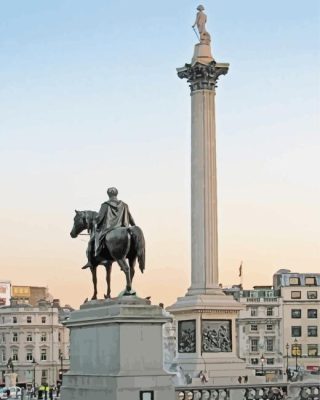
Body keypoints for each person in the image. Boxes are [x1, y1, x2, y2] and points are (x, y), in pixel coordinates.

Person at [82, 187, 135, 269]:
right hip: (124, 227)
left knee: (91, 242)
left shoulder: (105, 205)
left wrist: (93, 222)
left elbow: (99, 218)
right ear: (116, 194)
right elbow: (130, 218)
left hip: (108, 229)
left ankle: (90, 261)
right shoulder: (125, 205)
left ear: (108, 194)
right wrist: (134, 227)